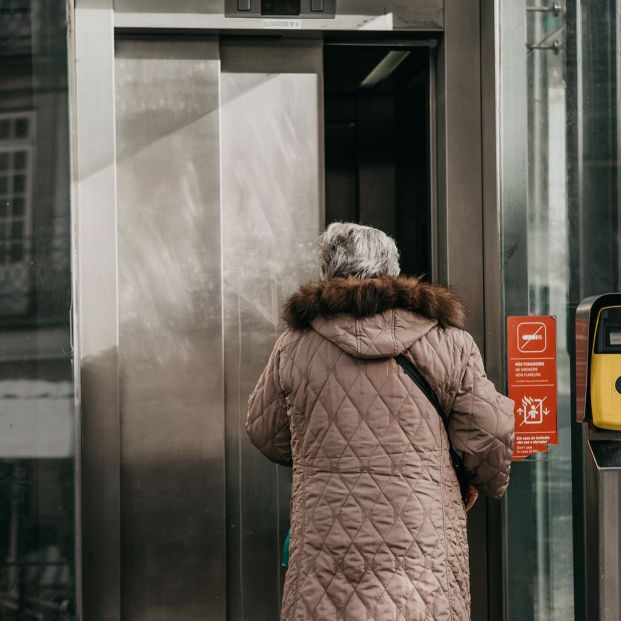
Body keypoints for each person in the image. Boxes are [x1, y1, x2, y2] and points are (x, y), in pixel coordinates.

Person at [246, 222, 514, 621]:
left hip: (327, 541)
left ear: (328, 271)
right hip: (422, 542)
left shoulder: (295, 343)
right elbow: (492, 432)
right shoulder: (447, 339)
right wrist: (481, 483)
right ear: (392, 270)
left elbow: (264, 430)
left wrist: (318, 450)